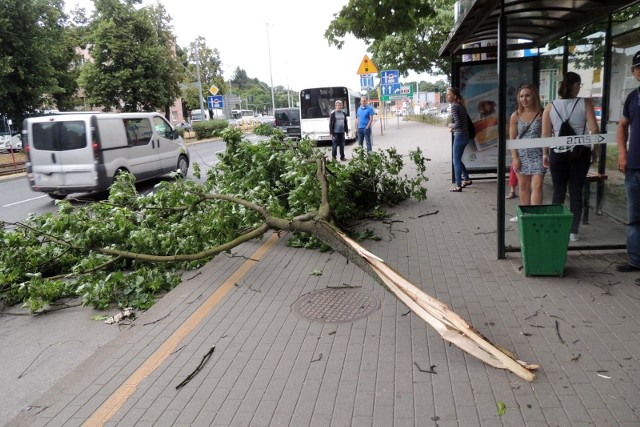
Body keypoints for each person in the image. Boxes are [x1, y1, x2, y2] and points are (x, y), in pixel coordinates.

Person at [542, 72, 599, 242]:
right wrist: (595, 150)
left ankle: (555, 227)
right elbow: (594, 130)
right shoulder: (585, 103)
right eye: (579, 85)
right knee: (576, 191)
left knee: (558, 191)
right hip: (579, 153)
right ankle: (574, 231)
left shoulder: (550, 106)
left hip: (557, 153)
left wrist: (546, 153)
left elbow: (546, 134)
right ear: (575, 86)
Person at [615, 50, 640, 278]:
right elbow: (622, 126)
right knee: (634, 217)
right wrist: (622, 154)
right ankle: (635, 260)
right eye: (639, 67)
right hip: (634, 166)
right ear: (634, 72)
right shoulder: (633, 97)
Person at [508, 84, 545, 222]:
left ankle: (536, 215)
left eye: (528, 95)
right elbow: (512, 138)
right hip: (521, 155)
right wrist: (514, 158)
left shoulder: (542, 113)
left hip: (538, 154)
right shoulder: (515, 115)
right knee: (523, 186)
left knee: (537, 185)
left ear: (534, 96)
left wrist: (547, 155)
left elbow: (546, 135)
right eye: (522, 96)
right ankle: (524, 215)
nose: (524, 99)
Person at [446, 87, 472, 192]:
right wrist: (454, 129)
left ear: (454, 96)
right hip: (464, 136)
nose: (447, 96)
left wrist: (450, 125)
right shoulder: (461, 106)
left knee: (455, 161)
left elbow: (458, 123)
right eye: (447, 94)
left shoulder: (454, 107)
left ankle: (458, 185)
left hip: (460, 137)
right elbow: (463, 124)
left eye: (449, 94)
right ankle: (466, 179)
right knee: (458, 160)